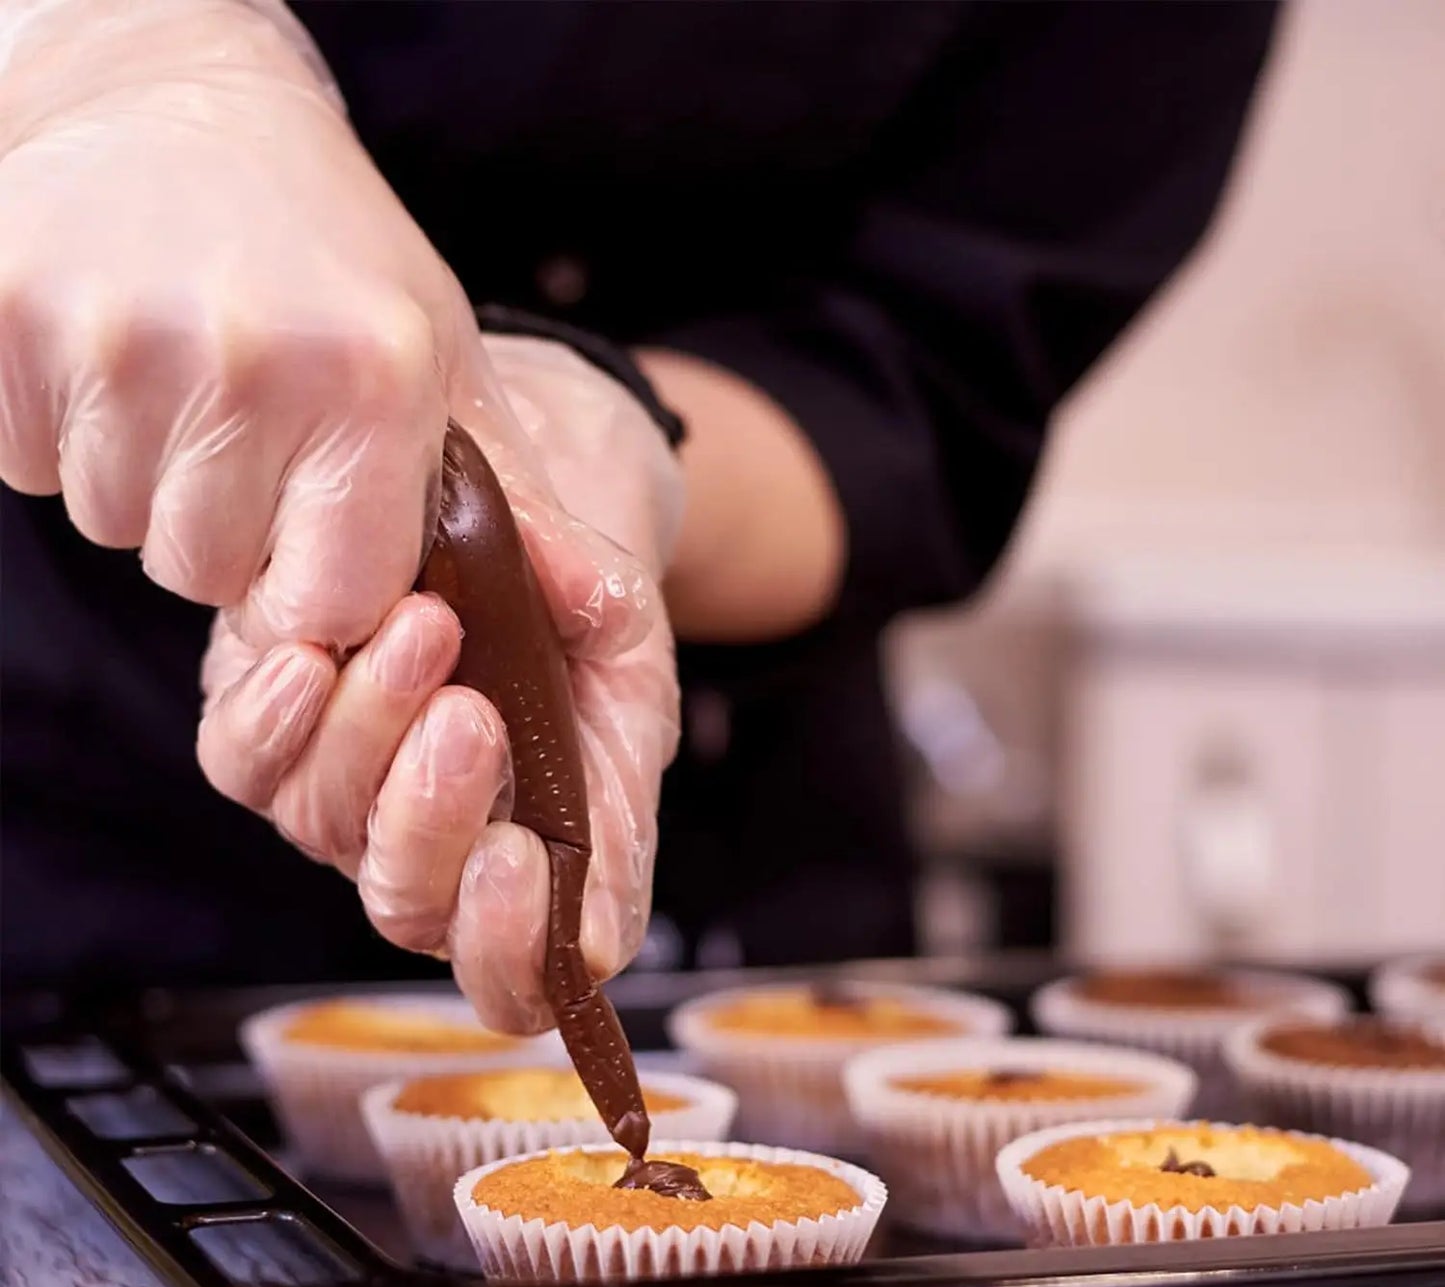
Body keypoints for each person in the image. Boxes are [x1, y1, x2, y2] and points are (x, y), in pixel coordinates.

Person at [0, 0, 1277, 1030]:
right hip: (61, 837)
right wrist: (99, 57)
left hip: (721, 868)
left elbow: (917, 384)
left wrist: (605, 448)